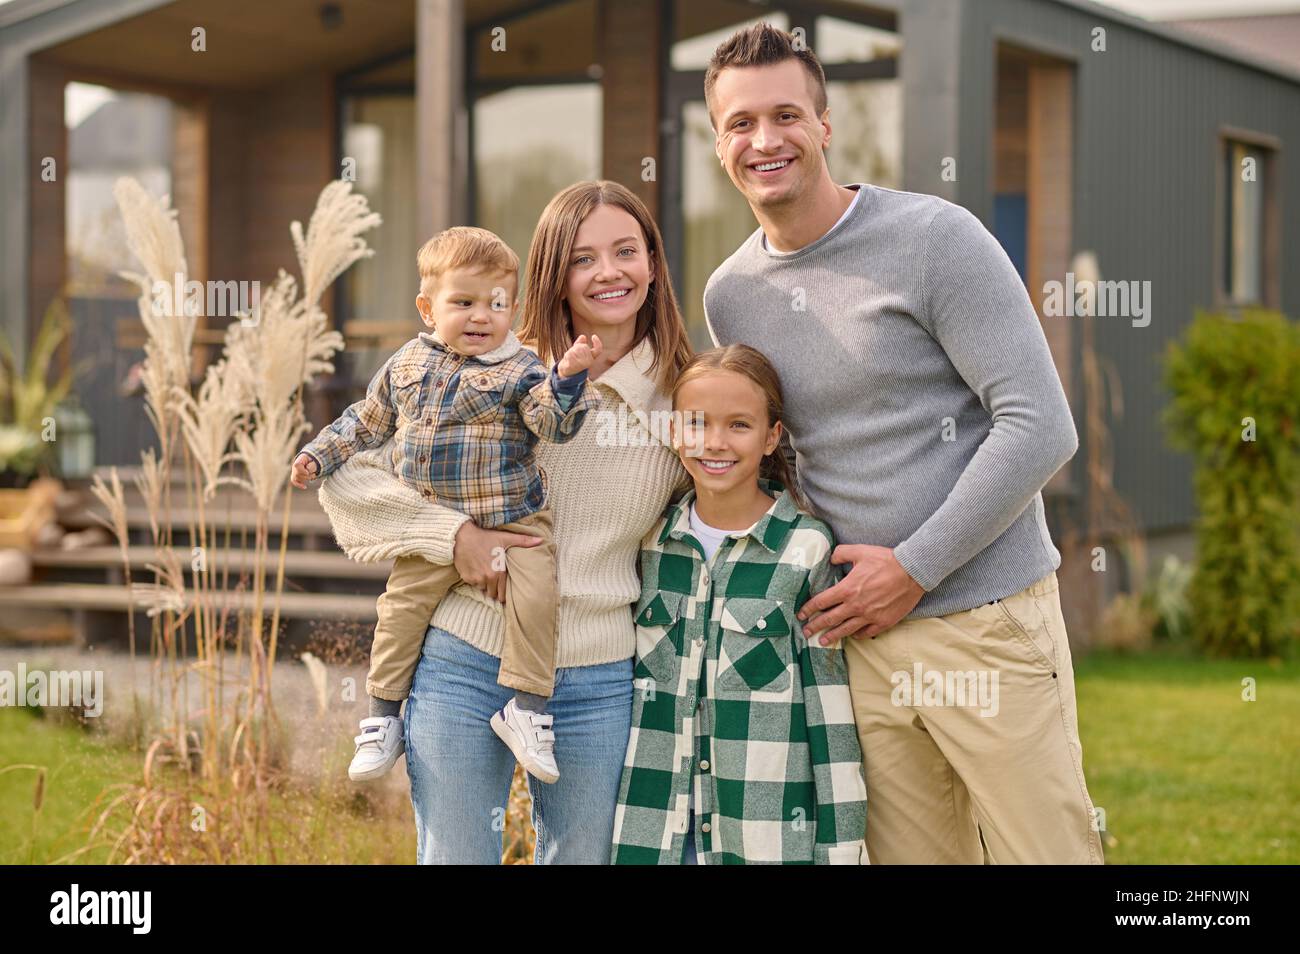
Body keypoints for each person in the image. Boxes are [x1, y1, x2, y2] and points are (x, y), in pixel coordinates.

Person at [700, 22, 1103, 864]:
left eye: (784, 116)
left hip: (985, 622)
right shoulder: (730, 296)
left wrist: (914, 568)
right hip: (862, 640)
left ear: (824, 125)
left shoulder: (934, 239)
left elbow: (1039, 423)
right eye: (740, 124)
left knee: (1050, 854)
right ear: (717, 142)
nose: (764, 140)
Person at [315, 181, 694, 863]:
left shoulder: (683, 397)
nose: (608, 272)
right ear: (553, 274)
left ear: (653, 263)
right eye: (583, 259)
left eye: (626, 252)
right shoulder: (491, 368)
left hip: (596, 672)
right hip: (464, 656)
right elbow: (347, 473)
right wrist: (453, 538)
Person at [292, 226, 600, 785]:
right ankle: (383, 716)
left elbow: (551, 424)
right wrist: (318, 455)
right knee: (400, 611)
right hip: (434, 521)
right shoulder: (407, 363)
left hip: (515, 519)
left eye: (497, 303)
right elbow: (367, 420)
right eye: (464, 302)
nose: (482, 315)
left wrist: (569, 379)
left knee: (536, 600)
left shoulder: (523, 369)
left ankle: (527, 710)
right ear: (426, 308)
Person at [612, 344, 867, 864]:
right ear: (674, 431)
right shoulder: (650, 543)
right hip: (655, 835)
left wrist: (841, 851)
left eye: (739, 426)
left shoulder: (806, 550)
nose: (716, 443)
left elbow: (831, 719)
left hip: (762, 837)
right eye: (698, 424)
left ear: (773, 436)